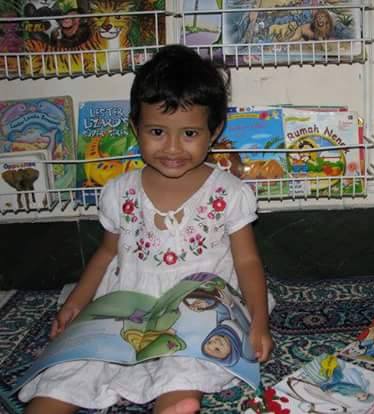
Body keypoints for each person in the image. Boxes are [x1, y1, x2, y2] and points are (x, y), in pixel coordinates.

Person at [19, 44, 274, 414]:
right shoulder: (119, 191)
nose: (172, 148)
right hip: (125, 305)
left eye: (189, 133)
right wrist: (76, 303)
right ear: (134, 127)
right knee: (72, 368)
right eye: (157, 131)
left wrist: (259, 322)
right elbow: (106, 253)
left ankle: (175, 403)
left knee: (186, 367)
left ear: (214, 131)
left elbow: (247, 262)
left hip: (198, 308)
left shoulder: (229, 193)